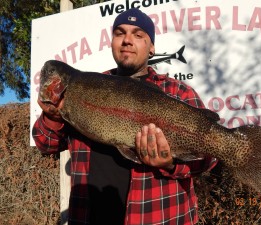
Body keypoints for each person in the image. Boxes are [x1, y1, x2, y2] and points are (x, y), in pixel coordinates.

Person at [32, 8, 218, 225]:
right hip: (87, 217)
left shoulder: (178, 93)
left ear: (151, 48)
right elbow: (45, 144)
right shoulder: (85, 88)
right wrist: (53, 115)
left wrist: (169, 164)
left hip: (161, 218)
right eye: (120, 33)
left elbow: (211, 157)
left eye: (138, 35)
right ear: (112, 42)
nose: (127, 40)